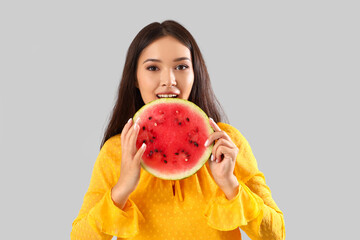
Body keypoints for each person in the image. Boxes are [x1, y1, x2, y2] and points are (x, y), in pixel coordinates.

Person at [71, 20, 285, 240]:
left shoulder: (227, 144)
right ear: (135, 78)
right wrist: (122, 189)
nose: (169, 81)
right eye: (153, 68)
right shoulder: (116, 152)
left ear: (195, 74)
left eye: (181, 67)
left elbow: (276, 234)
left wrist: (231, 185)